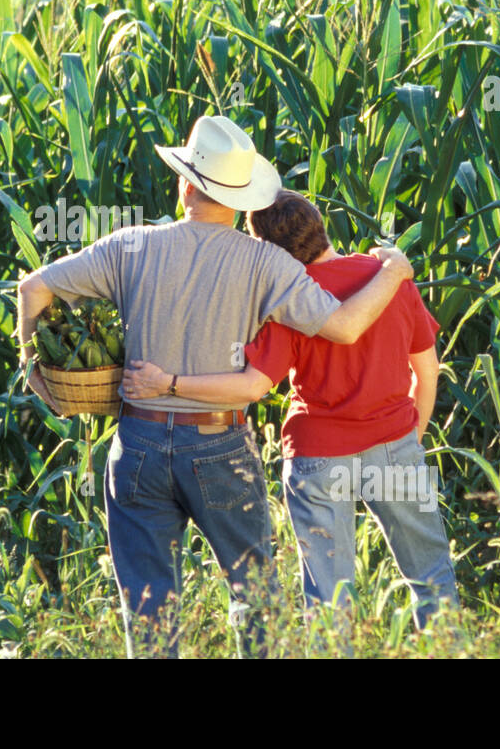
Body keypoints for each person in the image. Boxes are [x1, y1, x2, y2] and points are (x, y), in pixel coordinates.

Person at [15, 115, 415, 656]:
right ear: (242, 198)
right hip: (220, 445)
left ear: (185, 184)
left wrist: (33, 368)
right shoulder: (266, 263)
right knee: (255, 600)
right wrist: (392, 274)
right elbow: (344, 326)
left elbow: (33, 287)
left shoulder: (130, 245)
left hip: (138, 445)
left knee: (150, 612)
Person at [122, 189, 459, 633]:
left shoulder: (288, 299)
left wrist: (169, 384)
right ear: (319, 224)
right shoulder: (390, 278)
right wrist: (411, 438)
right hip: (395, 443)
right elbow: (427, 368)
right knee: (432, 577)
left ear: (266, 249)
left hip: (318, 457)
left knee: (329, 598)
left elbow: (253, 386)